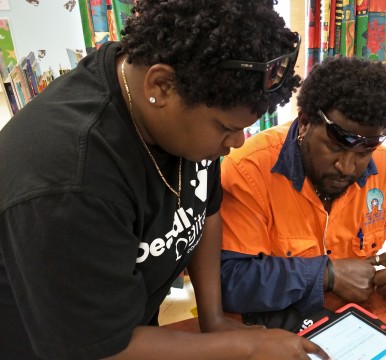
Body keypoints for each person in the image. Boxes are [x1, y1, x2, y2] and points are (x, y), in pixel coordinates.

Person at [0, 0, 330, 359]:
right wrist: (248, 346)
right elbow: (98, 350)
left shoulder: (179, 103)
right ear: (161, 85)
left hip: (128, 328)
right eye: (226, 128)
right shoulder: (70, 183)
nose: (237, 143)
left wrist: (214, 318)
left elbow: (206, 209)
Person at [220, 57, 386, 328]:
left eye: (364, 152)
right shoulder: (247, 170)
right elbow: (228, 278)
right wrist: (326, 275)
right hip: (274, 333)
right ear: (304, 123)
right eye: (335, 147)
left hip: (360, 325)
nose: (346, 167)